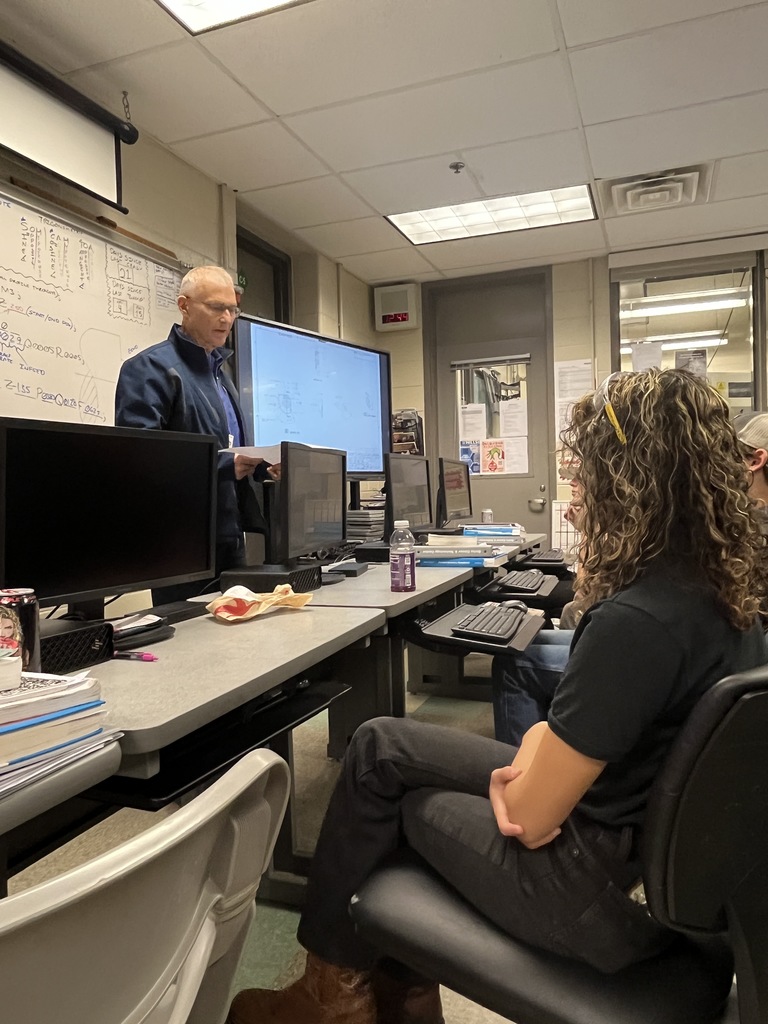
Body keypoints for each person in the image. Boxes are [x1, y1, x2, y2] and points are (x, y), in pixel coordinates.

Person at [227, 369, 768, 1024]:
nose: (578, 492)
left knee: (389, 788)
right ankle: (389, 997)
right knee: (380, 745)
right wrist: (539, 752)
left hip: (576, 890)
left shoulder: (636, 622)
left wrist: (528, 768)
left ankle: (334, 995)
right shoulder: (722, 595)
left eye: (587, 475)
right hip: (629, 857)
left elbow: (531, 818)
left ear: (626, 484)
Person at [491, 403, 768, 746]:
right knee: (528, 640)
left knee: (522, 655)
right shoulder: (723, 546)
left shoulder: (640, 614)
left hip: (669, 680)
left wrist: (537, 742)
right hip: (703, 686)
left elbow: (595, 604)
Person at [115, 265, 276, 603]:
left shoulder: (220, 373)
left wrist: (264, 467)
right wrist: (223, 468)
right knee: (191, 645)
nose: (227, 318)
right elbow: (138, 461)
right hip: (179, 543)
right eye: (217, 308)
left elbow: (228, 447)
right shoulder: (149, 369)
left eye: (233, 309)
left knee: (237, 638)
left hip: (229, 535)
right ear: (184, 306)